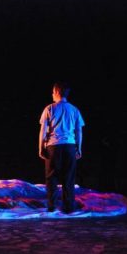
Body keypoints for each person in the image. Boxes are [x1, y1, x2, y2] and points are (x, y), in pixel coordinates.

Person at [39, 82, 85, 213]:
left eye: (53, 92)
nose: (52, 94)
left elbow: (43, 130)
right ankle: (68, 207)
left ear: (57, 92)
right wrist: (79, 147)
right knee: (69, 177)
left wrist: (40, 147)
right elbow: (79, 131)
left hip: (53, 147)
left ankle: (52, 206)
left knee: (51, 177)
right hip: (70, 146)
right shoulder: (74, 109)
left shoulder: (49, 109)